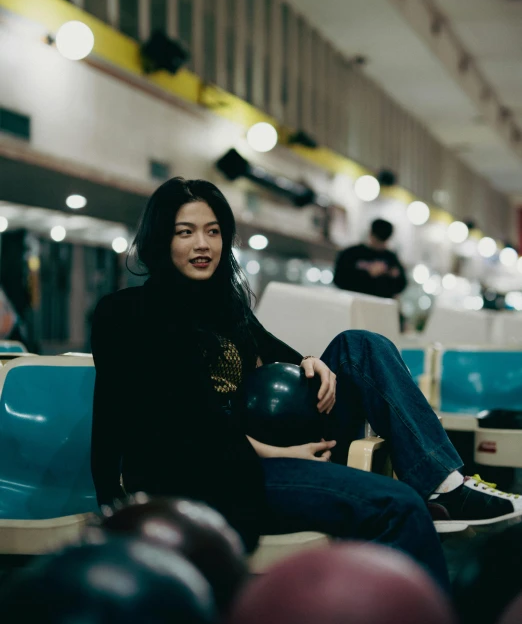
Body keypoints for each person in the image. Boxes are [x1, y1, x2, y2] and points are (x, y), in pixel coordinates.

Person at [91, 179, 522, 593]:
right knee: (399, 507)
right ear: (160, 238)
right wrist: (112, 507)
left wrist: (310, 363)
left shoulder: (225, 307)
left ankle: (443, 482)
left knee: (358, 346)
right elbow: (153, 422)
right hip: (215, 472)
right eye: (186, 232)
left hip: (270, 446)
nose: (203, 245)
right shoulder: (128, 314)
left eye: (213, 232)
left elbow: (279, 353)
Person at [334, 218, 407, 298]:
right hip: (353, 300)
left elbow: (401, 285)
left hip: (380, 304)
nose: (379, 245)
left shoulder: (391, 258)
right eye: (377, 240)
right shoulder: (351, 253)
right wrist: (368, 274)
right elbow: (339, 279)